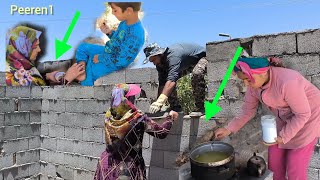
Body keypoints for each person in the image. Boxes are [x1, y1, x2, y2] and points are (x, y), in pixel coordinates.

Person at [214, 57, 320, 180]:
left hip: (308, 119)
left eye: (248, 79)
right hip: (285, 118)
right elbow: (248, 110)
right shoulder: (254, 86)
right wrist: (228, 128)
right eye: (243, 80)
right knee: (274, 165)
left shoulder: (288, 82)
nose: (246, 84)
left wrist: (283, 136)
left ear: (262, 73)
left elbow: (302, 114)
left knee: (295, 167)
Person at [93, 83, 178, 180]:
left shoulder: (108, 116)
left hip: (107, 165)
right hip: (127, 170)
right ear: (127, 99)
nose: (134, 99)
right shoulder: (138, 118)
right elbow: (161, 133)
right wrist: (170, 117)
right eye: (132, 96)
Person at [64, 2, 145, 86]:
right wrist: (109, 32)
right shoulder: (124, 23)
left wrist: (100, 58)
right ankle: (81, 70)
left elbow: (121, 60)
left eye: (115, 10)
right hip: (109, 51)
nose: (113, 13)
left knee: (89, 76)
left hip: (114, 63)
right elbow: (118, 41)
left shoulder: (136, 35)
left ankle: (85, 77)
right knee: (83, 47)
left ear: (129, 11)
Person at [143, 43, 207, 116]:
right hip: (186, 64)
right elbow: (162, 84)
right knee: (167, 83)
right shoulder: (160, 64)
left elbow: (171, 80)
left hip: (202, 57)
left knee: (197, 74)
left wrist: (160, 101)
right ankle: (176, 107)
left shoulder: (173, 56)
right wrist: (158, 103)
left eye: (154, 60)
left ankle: (201, 107)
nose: (154, 63)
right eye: (152, 61)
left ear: (159, 54)